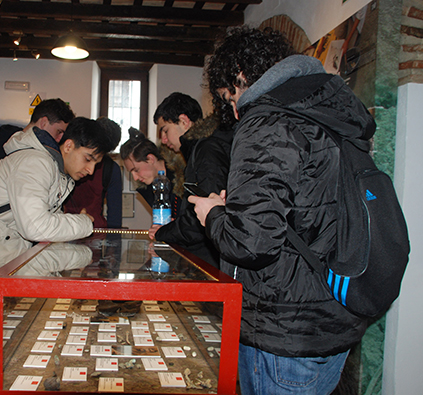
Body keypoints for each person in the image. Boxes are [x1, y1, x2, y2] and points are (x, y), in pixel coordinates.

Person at [189, 26, 371, 395]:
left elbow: (251, 243)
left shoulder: (267, 119)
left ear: (240, 73)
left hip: (282, 329)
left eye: (230, 97)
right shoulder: (325, 111)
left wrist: (213, 214)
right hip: (331, 318)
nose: (234, 111)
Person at [0, 116, 115, 395]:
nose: (91, 169)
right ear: (68, 146)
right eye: (88, 158)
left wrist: (80, 254)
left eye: (96, 162)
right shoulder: (35, 163)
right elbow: (35, 226)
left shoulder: (56, 171)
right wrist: (86, 225)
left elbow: (41, 232)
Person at [149, 92, 236, 268]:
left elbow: (204, 217)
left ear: (184, 121)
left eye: (165, 130)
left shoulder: (207, 149)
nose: (164, 140)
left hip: (210, 263)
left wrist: (164, 232)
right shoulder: (199, 150)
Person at [64, 117, 123, 228]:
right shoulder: (111, 168)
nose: (90, 171)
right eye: (88, 159)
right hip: (83, 229)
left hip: (72, 228)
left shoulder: (110, 169)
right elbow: (115, 218)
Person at [120, 128, 183, 219]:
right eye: (131, 173)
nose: (135, 178)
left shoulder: (185, 175)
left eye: (136, 170)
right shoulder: (147, 188)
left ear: (150, 159)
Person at [0, 98, 75, 161]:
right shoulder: (8, 148)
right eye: (59, 132)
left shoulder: (15, 144)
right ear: (43, 123)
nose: (59, 139)